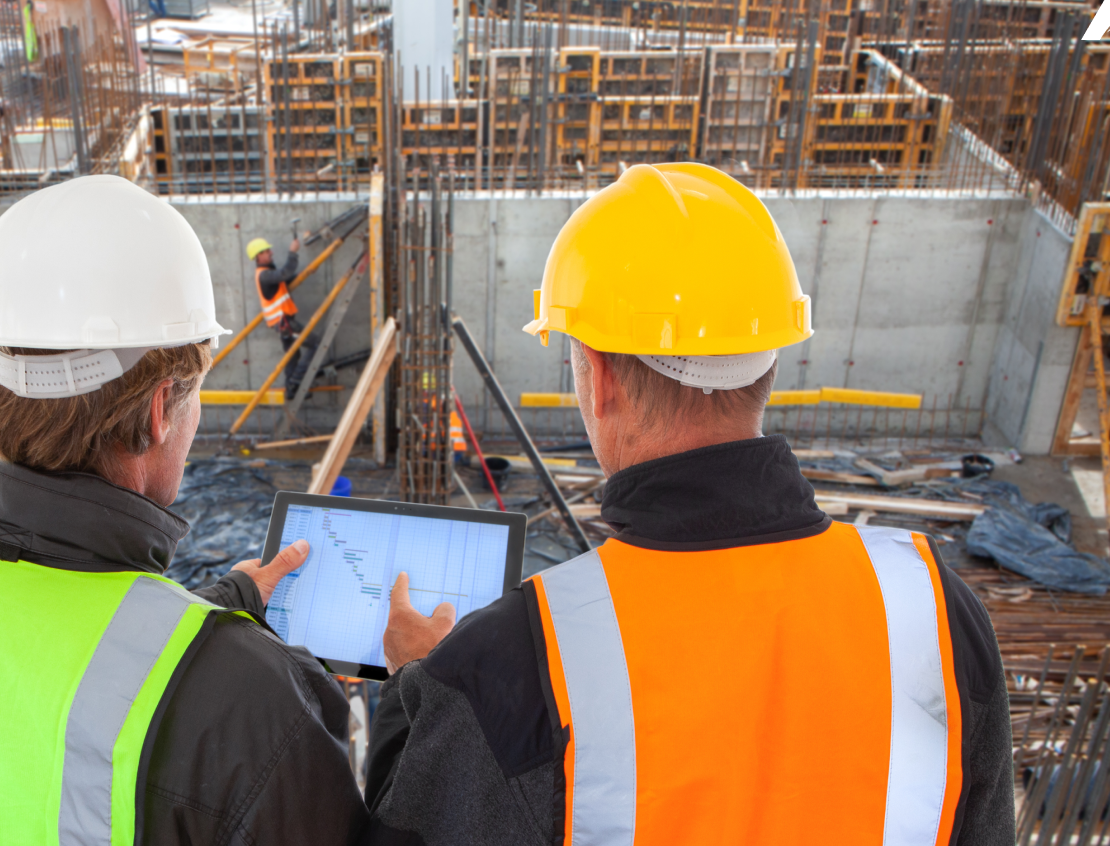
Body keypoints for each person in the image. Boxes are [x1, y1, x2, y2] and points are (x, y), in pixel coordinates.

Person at [364, 162, 1014, 845]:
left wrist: (416, 689)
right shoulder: (933, 608)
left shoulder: (509, 663)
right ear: (769, 359)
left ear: (601, 376)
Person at [0, 175, 367, 846]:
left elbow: (24, 703)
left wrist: (226, 607)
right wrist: (421, 699)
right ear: (163, 408)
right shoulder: (257, 704)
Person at [248, 236, 321, 397]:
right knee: (316, 343)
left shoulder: (268, 274)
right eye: (267, 251)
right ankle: (296, 381)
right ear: (259, 256)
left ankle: (291, 389)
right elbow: (285, 272)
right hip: (284, 322)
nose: (271, 253)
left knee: (292, 355)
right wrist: (292, 252)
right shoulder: (265, 275)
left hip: (283, 323)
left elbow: (284, 281)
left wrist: (304, 273)